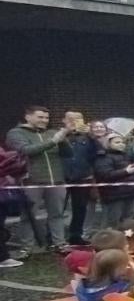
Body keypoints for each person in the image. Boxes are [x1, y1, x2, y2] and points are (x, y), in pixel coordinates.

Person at [8, 105, 69, 251]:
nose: (44, 120)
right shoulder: (16, 133)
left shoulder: (52, 132)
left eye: (47, 118)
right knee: (29, 215)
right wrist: (53, 141)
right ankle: (28, 247)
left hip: (56, 180)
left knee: (57, 214)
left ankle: (59, 243)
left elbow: (68, 154)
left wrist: (64, 139)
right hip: (31, 181)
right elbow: (26, 150)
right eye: (40, 117)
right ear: (28, 117)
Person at [59, 111, 98, 246]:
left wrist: (92, 137)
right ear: (64, 120)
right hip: (62, 178)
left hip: (82, 177)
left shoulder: (87, 137)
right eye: (71, 119)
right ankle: (54, 238)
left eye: (78, 118)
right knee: (59, 209)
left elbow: (97, 154)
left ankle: (76, 236)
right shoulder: (59, 135)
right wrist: (65, 133)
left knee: (80, 208)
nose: (75, 121)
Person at [93, 133, 134, 229]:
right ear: (108, 144)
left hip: (129, 193)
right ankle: (109, 242)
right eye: (117, 142)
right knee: (112, 222)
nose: (121, 144)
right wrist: (125, 171)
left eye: (122, 142)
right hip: (113, 195)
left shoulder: (125, 155)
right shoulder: (103, 157)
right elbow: (105, 175)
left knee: (128, 222)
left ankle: (126, 240)